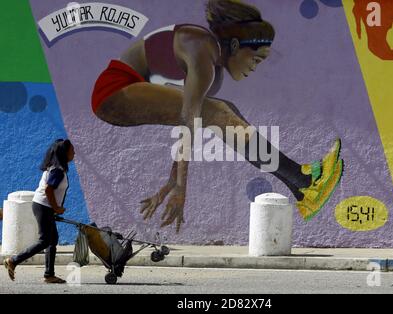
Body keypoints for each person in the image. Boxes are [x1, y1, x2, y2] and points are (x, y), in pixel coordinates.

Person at [91, 0, 343, 233]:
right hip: (112, 92)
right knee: (218, 112)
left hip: (125, 93)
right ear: (234, 46)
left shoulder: (212, 67)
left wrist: (171, 181)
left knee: (225, 111)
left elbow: (189, 119)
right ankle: (305, 181)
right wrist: (180, 188)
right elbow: (187, 122)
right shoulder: (201, 48)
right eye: (255, 58)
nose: (254, 67)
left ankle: (301, 188)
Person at [3, 139, 75, 283]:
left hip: (43, 206)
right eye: (72, 150)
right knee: (45, 240)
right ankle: (13, 260)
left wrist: (54, 208)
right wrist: (56, 208)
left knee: (52, 239)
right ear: (64, 152)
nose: (74, 153)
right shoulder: (58, 170)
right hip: (44, 206)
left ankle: (49, 275)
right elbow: (49, 190)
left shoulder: (55, 167)